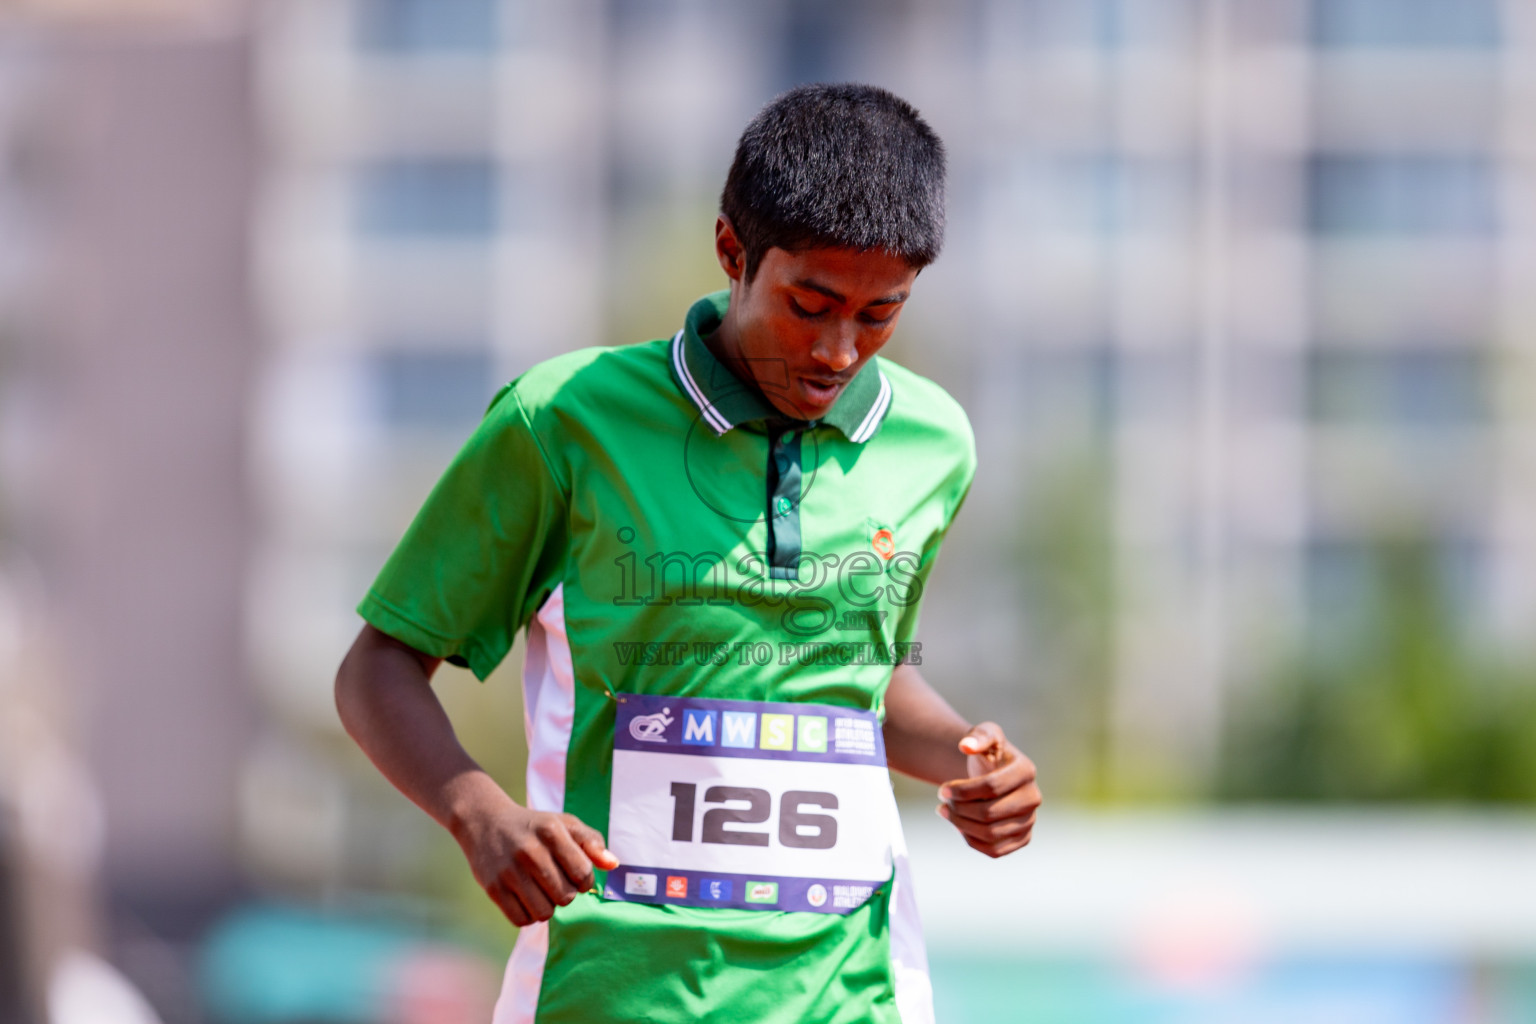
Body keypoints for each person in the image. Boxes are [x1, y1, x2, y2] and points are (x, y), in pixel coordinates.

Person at [335, 82, 1041, 1024]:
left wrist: (968, 759)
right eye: (811, 303)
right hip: (609, 994)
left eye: (881, 315)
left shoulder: (934, 444)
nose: (838, 350)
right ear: (731, 253)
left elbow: (865, 682)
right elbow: (378, 668)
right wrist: (479, 812)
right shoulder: (565, 423)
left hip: (856, 993)